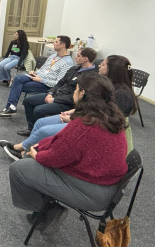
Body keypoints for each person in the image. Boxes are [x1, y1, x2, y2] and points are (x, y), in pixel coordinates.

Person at [8, 74, 128, 234]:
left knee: (19, 168)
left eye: (76, 89)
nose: (74, 93)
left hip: (92, 192)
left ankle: (46, 210)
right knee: (37, 154)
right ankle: (45, 207)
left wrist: (36, 154)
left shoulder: (84, 125)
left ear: (83, 94)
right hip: (107, 186)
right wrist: (41, 147)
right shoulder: (111, 118)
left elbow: (54, 158)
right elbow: (63, 145)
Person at [0, 54, 137, 160]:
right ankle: (26, 150)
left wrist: (72, 120)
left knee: (44, 131)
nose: (100, 65)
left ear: (111, 69)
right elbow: (94, 106)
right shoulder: (106, 85)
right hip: (83, 116)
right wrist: (72, 112)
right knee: (41, 122)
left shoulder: (121, 95)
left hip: (92, 127)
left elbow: (103, 122)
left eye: (104, 63)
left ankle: (23, 151)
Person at [14, 47, 97, 134]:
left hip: (67, 102)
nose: (75, 57)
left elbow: (78, 98)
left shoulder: (91, 77)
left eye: (78, 55)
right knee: (28, 101)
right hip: (57, 94)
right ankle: (32, 129)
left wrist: (54, 100)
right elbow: (60, 83)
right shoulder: (74, 69)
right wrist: (50, 93)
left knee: (38, 110)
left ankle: (40, 134)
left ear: (85, 59)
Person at [0, 35, 73, 117]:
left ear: (63, 45)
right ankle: (11, 107)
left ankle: (10, 108)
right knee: (18, 79)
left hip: (46, 84)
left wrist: (41, 80)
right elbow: (42, 69)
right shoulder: (53, 56)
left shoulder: (67, 63)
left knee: (18, 85)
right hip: (37, 77)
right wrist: (35, 72)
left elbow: (59, 84)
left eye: (56, 42)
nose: (53, 43)